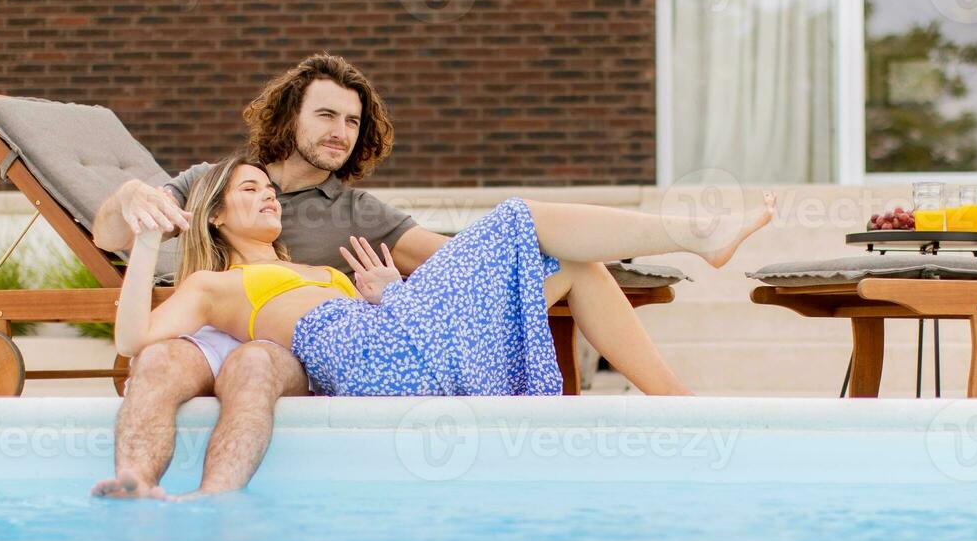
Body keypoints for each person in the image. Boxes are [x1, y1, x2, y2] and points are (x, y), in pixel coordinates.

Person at [112, 156, 777, 447]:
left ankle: (680, 406)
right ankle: (694, 232)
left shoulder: (309, 269)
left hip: (403, 343)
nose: (267, 196)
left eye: (268, 188)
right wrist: (145, 246)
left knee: (578, 267)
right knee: (519, 216)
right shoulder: (215, 283)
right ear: (217, 217)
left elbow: (377, 321)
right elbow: (132, 341)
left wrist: (386, 294)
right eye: (250, 190)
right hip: (377, 367)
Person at [90, 53, 450, 499]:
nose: (341, 133)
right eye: (326, 115)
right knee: (157, 361)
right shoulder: (216, 180)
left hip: (283, 344)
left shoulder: (361, 213)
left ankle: (214, 498)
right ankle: (134, 484)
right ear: (290, 116)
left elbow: (455, 263)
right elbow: (110, 236)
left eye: (353, 122)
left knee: (254, 361)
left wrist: (391, 293)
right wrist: (128, 197)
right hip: (206, 328)